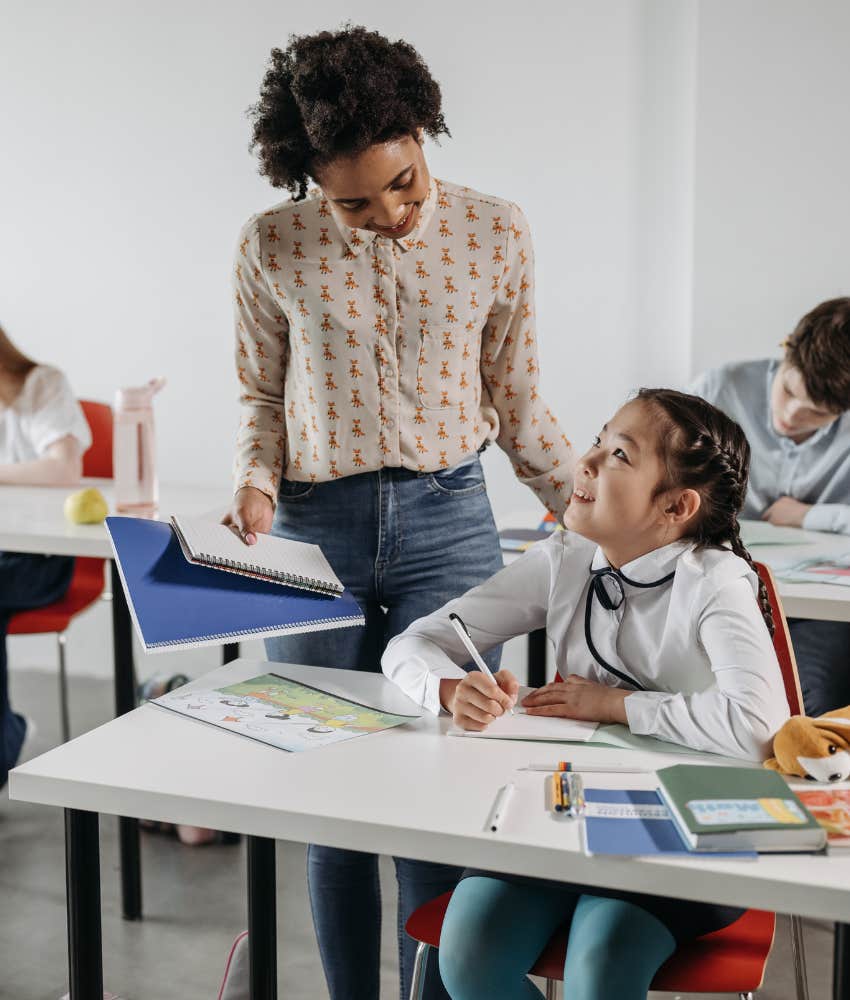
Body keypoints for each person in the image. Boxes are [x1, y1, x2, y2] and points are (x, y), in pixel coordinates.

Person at [221, 25, 574, 1000]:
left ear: (425, 135)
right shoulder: (271, 244)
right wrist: (254, 478)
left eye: (405, 183)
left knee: (436, 785)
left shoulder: (495, 230)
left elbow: (518, 398)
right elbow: (259, 395)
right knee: (332, 795)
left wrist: (588, 511)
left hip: (449, 520)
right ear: (309, 180)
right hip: (309, 529)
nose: (389, 214)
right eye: (353, 201)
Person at [381, 388, 789, 1000]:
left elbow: (758, 725)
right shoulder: (566, 558)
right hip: (564, 816)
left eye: (620, 455)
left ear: (676, 506)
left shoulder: (716, 581)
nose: (587, 462)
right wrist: (445, 688)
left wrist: (615, 705)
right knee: (468, 955)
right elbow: (411, 644)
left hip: (686, 833)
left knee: (600, 967)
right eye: (598, 440)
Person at [689, 297, 850, 716]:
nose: (792, 415)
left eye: (817, 413)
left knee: (811, 703)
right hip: (721, 591)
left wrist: (809, 515)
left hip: (821, 613)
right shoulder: (720, 389)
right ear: (786, 349)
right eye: (789, 391)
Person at [0, 324, 91, 790]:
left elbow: (63, 467)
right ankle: (6, 734)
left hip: (40, 561)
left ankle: (5, 740)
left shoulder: (41, 384)